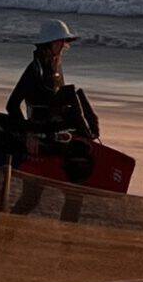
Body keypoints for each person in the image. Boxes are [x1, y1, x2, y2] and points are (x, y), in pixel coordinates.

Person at [6, 19, 99, 180]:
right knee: (33, 195)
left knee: (75, 94)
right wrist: (29, 134)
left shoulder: (55, 66)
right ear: (50, 43)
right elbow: (12, 105)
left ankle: (88, 136)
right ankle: (85, 138)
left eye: (65, 41)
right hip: (39, 129)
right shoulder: (35, 69)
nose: (64, 45)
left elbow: (57, 101)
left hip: (54, 127)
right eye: (61, 41)